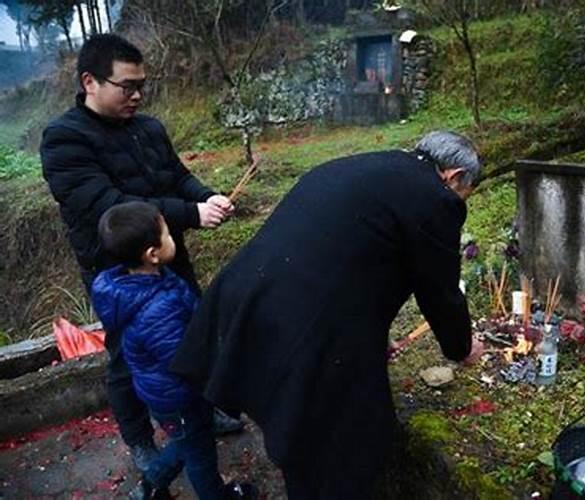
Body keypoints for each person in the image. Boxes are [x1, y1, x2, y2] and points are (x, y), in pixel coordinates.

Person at [170, 130, 485, 499]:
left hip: (248, 298)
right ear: (454, 177)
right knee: (329, 442)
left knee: (291, 414)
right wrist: (462, 348)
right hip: (303, 325)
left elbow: (349, 256)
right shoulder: (434, 197)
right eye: (466, 193)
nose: (460, 201)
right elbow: (440, 291)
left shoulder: (364, 165)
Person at [39, 33, 242, 472]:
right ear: (90, 82)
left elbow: (177, 176)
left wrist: (209, 196)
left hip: (166, 254)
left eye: (141, 86)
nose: (136, 95)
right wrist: (190, 212)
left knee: (194, 330)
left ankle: (202, 410)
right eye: (126, 86)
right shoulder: (63, 140)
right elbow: (108, 206)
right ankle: (140, 440)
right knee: (126, 356)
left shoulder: (148, 128)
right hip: (116, 270)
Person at [91, 202, 257, 500]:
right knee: (200, 456)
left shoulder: (144, 281)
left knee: (187, 441)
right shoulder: (157, 309)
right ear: (152, 253)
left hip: (170, 394)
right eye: (168, 234)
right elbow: (182, 359)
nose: (173, 239)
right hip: (179, 395)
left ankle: (150, 486)